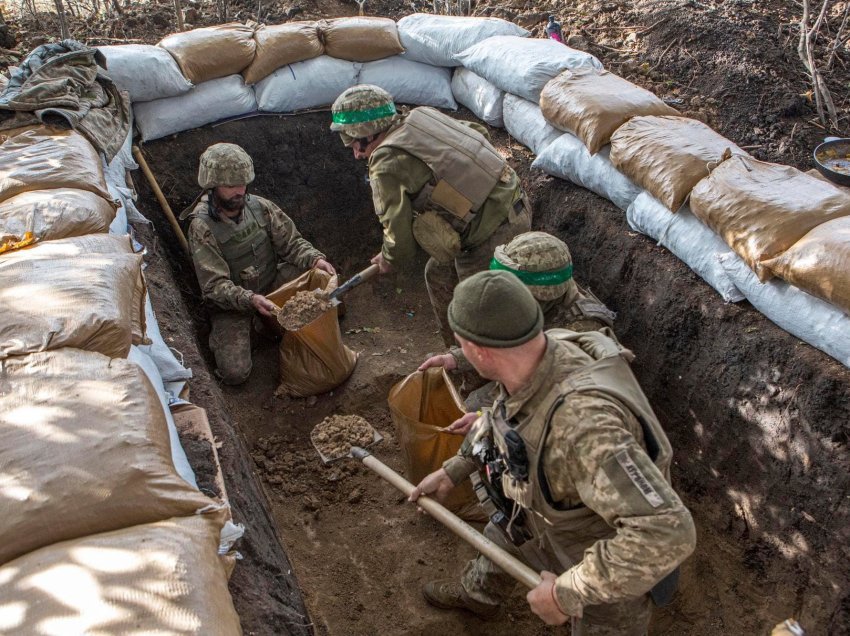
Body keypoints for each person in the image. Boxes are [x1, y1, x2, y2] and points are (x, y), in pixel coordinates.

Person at [409, 270, 696, 634]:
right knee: (504, 536)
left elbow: (668, 532)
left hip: (598, 562)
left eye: (460, 344)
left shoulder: (583, 430)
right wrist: (457, 467)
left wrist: (566, 593)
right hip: (533, 516)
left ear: (480, 351)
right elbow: (506, 414)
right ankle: (478, 597)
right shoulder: (539, 351)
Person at [330, 84, 532, 347]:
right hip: (517, 203)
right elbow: (478, 133)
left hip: (492, 234)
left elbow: (398, 238)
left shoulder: (385, 163)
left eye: (354, 143)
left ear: (368, 134)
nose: (357, 154)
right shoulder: (421, 116)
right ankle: (455, 350)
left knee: (480, 321)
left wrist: (389, 258)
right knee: (437, 274)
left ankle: (475, 372)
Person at [181, 142, 336, 385]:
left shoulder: (260, 207)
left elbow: (292, 243)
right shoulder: (202, 228)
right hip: (235, 305)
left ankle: (268, 325)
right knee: (235, 373)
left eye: (242, 184)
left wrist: (315, 259)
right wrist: (250, 300)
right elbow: (213, 287)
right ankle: (253, 329)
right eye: (231, 186)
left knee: (327, 290)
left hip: (272, 282)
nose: (239, 191)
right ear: (212, 186)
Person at [418, 231, 618, 415]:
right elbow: (504, 335)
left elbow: (549, 394)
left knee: (475, 406)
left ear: (540, 295)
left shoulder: (580, 333)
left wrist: (492, 419)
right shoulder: (540, 299)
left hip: (560, 400)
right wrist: (455, 359)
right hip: (533, 369)